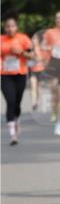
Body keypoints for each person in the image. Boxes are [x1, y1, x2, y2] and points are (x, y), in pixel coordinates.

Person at [1, 17, 33, 145]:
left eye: (12, 26)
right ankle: (13, 135)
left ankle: (16, 118)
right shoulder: (1, 40)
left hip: (20, 74)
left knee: (17, 103)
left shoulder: (23, 38)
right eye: (7, 26)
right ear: (5, 28)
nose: (10, 28)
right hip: (5, 75)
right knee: (10, 101)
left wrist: (21, 52)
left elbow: (33, 55)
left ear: (16, 27)